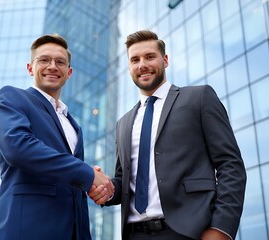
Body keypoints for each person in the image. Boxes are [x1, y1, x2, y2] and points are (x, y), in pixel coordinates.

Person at [89, 30, 246, 240]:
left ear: (165, 60)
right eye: (135, 60)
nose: (142, 64)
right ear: (129, 67)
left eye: (150, 57)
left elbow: (230, 165)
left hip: (189, 232)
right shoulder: (123, 123)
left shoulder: (199, 98)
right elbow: (123, 182)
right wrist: (104, 189)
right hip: (135, 234)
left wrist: (221, 229)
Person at [0, 34, 114, 240]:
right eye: (44, 60)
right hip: (26, 229)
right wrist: (87, 173)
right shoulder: (11, 97)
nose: (52, 66)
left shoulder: (74, 125)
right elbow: (18, 148)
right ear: (30, 68)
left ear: (69, 72)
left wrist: (94, 185)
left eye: (60, 62)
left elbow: (69, 176)